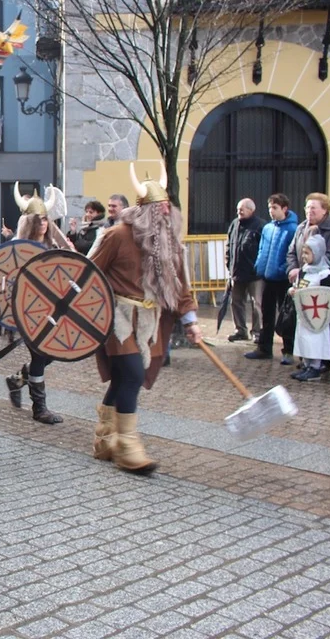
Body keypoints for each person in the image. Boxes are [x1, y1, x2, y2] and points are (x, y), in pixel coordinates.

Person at [89, 163, 201, 475]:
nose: (165, 212)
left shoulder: (169, 241)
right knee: (133, 374)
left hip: (150, 320)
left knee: (124, 377)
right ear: (144, 210)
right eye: (159, 207)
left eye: (167, 206)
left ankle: (104, 439)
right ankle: (127, 447)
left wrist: (190, 321)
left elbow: (180, 285)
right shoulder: (116, 235)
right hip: (118, 316)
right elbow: (89, 273)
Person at [4, 190, 73, 425]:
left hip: (52, 310)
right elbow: (10, 281)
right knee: (41, 354)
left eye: (45, 219)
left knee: (50, 353)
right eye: (38, 220)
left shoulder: (52, 245)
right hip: (30, 311)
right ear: (30, 223)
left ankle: (17, 380)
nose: (43, 223)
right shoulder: (18, 248)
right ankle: (39, 408)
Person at [286, 193, 330, 369]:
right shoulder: (301, 227)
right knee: (304, 321)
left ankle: (324, 361)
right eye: (307, 207)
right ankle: (308, 359)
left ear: (325, 210)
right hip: (303, 279)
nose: (309, 211)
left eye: (313, 208)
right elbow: (291, 251)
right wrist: (294, 269)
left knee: (323, 322)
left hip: (321, 282)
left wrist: (310, 268)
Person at [245, 194, 299, 363]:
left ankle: (288, 350)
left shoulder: (293, 229)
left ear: (284, 209)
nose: (271, 211)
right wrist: (259, 265)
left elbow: (293, 253)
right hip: (267, 276)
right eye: (269, 208)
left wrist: (283, 269)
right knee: (266, 313)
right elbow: (262, 249)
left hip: (283, 279)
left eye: (275, 208)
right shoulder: (268, 228)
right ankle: (264, 348)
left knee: (286, 315)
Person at [288, 234, 330, 382]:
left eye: (307, 253)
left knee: (315, 341)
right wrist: (292, 291)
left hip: (317, 316)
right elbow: (298, 287)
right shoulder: (304, 270)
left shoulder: (325, 273)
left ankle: (315, 367)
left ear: (317, 253)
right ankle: (307, 365)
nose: (304, 256)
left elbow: (327, 295)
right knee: (304, 339)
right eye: (303, 253)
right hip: (304, 314)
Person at [225, 198, 264, 343]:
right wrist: (228, 263)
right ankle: (240, 330)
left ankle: (257, 332)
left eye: (242, 209)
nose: (239, 212)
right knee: (236, 302)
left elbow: (263, 249)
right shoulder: (234, 224)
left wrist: (259, 268)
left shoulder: (260, 225)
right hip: (237, 272)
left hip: (255, 274)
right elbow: (229, 245)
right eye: (238, 209)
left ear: (251, 210)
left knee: (256, 304)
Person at [86, 193, 129, 258]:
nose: (110, 209)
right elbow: (96, 247)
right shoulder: (105, 226)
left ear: (124, 208)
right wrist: (87, 260)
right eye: (109, 206)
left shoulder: (130, 226)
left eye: (114, 206)